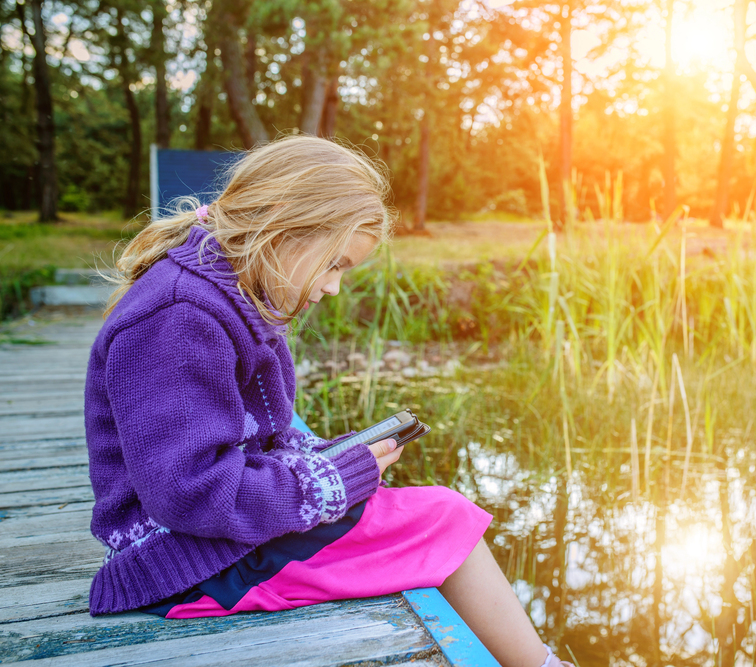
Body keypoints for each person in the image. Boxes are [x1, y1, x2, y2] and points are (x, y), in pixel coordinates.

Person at [84, 136, 571, 667]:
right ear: (280, 226)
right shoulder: (182, 315)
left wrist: (330, 459)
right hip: (188, 565)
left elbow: (259, 437)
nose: (335, 287)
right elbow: (189, 492)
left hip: (213, 542)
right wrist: (328, 481)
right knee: (445, 520)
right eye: (335, 264)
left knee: (426, 513)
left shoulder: (236, 295)